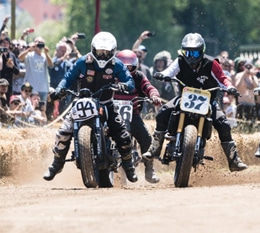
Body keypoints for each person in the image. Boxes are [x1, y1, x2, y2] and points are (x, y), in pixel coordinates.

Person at [142, 33, 248, 172]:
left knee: (223, 124)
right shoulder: (180, 61)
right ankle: (155, 148)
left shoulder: (211, 63)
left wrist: (230, 87)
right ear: (183, 51)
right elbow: (170, 71)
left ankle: (234, 160)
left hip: (208, 100)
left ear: (202, 51)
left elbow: (223, 79)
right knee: (162, 112)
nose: (192, 56)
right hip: (184, 98)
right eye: (188, 52)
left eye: (195, 53)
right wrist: (163, 75)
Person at [43, 31, 138, 182]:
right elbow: (68, 78)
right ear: (93, 49)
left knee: (123, 135)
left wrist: (124, 85)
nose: (102, 56)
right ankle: (57, 163)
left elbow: (130, 81)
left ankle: (128, 167)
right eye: (99, 52)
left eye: (106, 53)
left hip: (106, 103)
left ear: (113, 52)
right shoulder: (82, 62)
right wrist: (60, 90)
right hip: (82, 102)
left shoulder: (117, 64)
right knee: (63, 131)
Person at [114, 49, 162, 183]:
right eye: (123, 66)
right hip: (112, 114)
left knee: (146, 138)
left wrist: (154, 95)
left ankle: (149, 169)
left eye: (130, 66)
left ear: (136, 66)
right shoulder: (111, 75)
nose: (127, 69)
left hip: (132, 115)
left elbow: (148, 87)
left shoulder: (139, 76)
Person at [18, 36, 53, 109]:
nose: (39, 44)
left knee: (42, 108)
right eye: (38, 42)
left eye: (41, 43)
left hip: (43, 87)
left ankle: (42, 120)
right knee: (31, 107)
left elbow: (51, 65)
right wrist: (29, 49)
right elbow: (20, 58)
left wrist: (46, 53)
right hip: (31, 87)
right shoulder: (29, 55)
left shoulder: (44, 56)